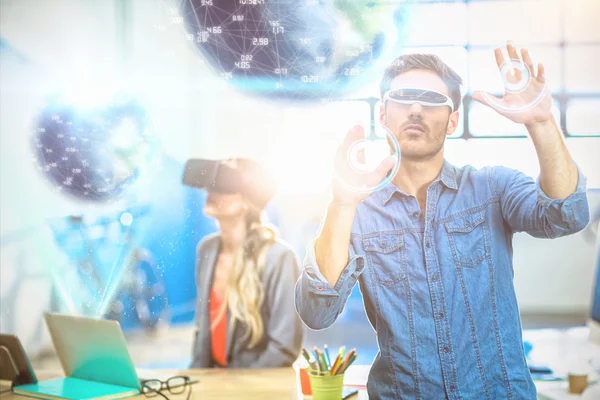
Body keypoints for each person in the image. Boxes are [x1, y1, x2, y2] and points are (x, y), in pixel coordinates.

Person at [295, 43, 590, 399]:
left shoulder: (492, 189)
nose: (417, 109)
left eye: (432, 100)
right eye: (403, 97)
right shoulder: (357, 212)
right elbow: (316, 311)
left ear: (452, 121)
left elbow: (567, 215)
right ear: (383, 116)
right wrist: (342, 203)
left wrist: (541, 122)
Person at [189, 158, 303, 368]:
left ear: (245, 201)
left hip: (255, 390)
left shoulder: (279, 258)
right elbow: (202, 332)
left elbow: (284, 348)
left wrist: (238, 389)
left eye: (223, 183)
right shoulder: (207, 249)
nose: (211, 189)